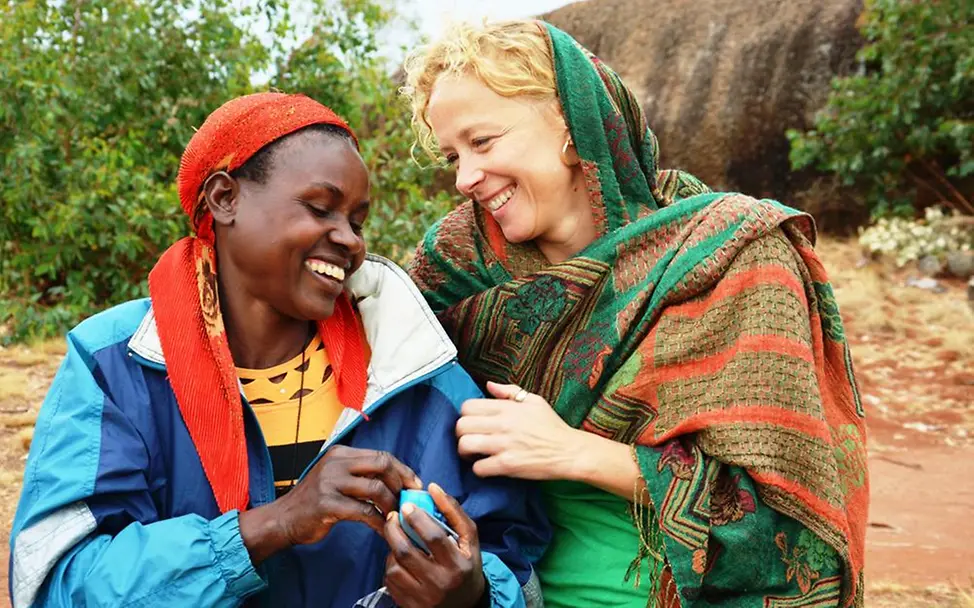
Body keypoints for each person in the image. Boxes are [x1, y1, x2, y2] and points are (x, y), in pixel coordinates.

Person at [8, 93, 549, 608]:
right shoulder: (115, 365)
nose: (351, 240)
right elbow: (58, 582)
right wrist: (270, 525)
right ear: (225, 198)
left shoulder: (415, 370)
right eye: (320, 208)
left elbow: (516, 566)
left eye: (357, 222)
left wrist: (472, 595)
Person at [401, 20, 869, 608]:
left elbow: (792, 519)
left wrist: (574, 452)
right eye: (452, 155)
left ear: (570, 128)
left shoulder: (728, 256)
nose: (466, 177)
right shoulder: (455, 266)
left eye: (484, 142)